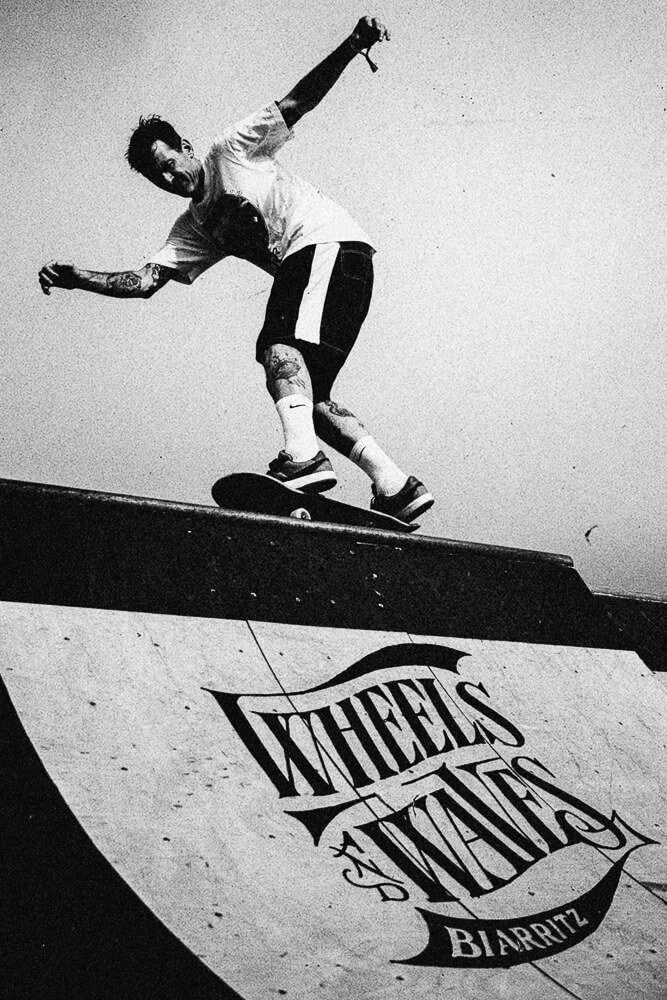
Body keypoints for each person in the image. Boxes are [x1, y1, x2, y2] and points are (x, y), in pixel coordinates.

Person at [39, 16, 433, 523]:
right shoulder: (193, 228)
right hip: (344, 268)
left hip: (325, 246)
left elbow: (298, 102)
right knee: (309, 397)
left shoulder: (231, 149)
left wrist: (352, 44)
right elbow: (144, 282)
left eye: (170, 164)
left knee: (277, 348)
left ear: (186, 148)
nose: (170, 179)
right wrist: (79, 278)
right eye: (158, 178)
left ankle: (303, 460)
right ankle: (394, 484)